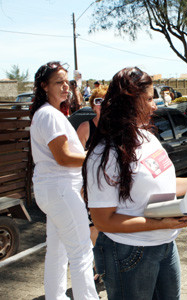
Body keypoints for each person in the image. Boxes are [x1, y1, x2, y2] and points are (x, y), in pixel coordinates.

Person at [82, 67, 187, 299]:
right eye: (149, 99)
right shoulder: (105, 154)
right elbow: (104, 220)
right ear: (129, 102)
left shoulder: (149, 138)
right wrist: (160, 223)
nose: (155, 105)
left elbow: (166, 184)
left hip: (165, 245)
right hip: (128, 252)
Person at [29, 61, 99, 300]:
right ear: (44, 86)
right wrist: (94, 158)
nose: (65, 87)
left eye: (66, 82)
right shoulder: (49, 115)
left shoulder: (48, 114)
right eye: (58, 82)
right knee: (82, 252)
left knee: (58, 251)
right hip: (61, 190)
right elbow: (63, 157)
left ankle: (55, 296)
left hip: (54, 191)